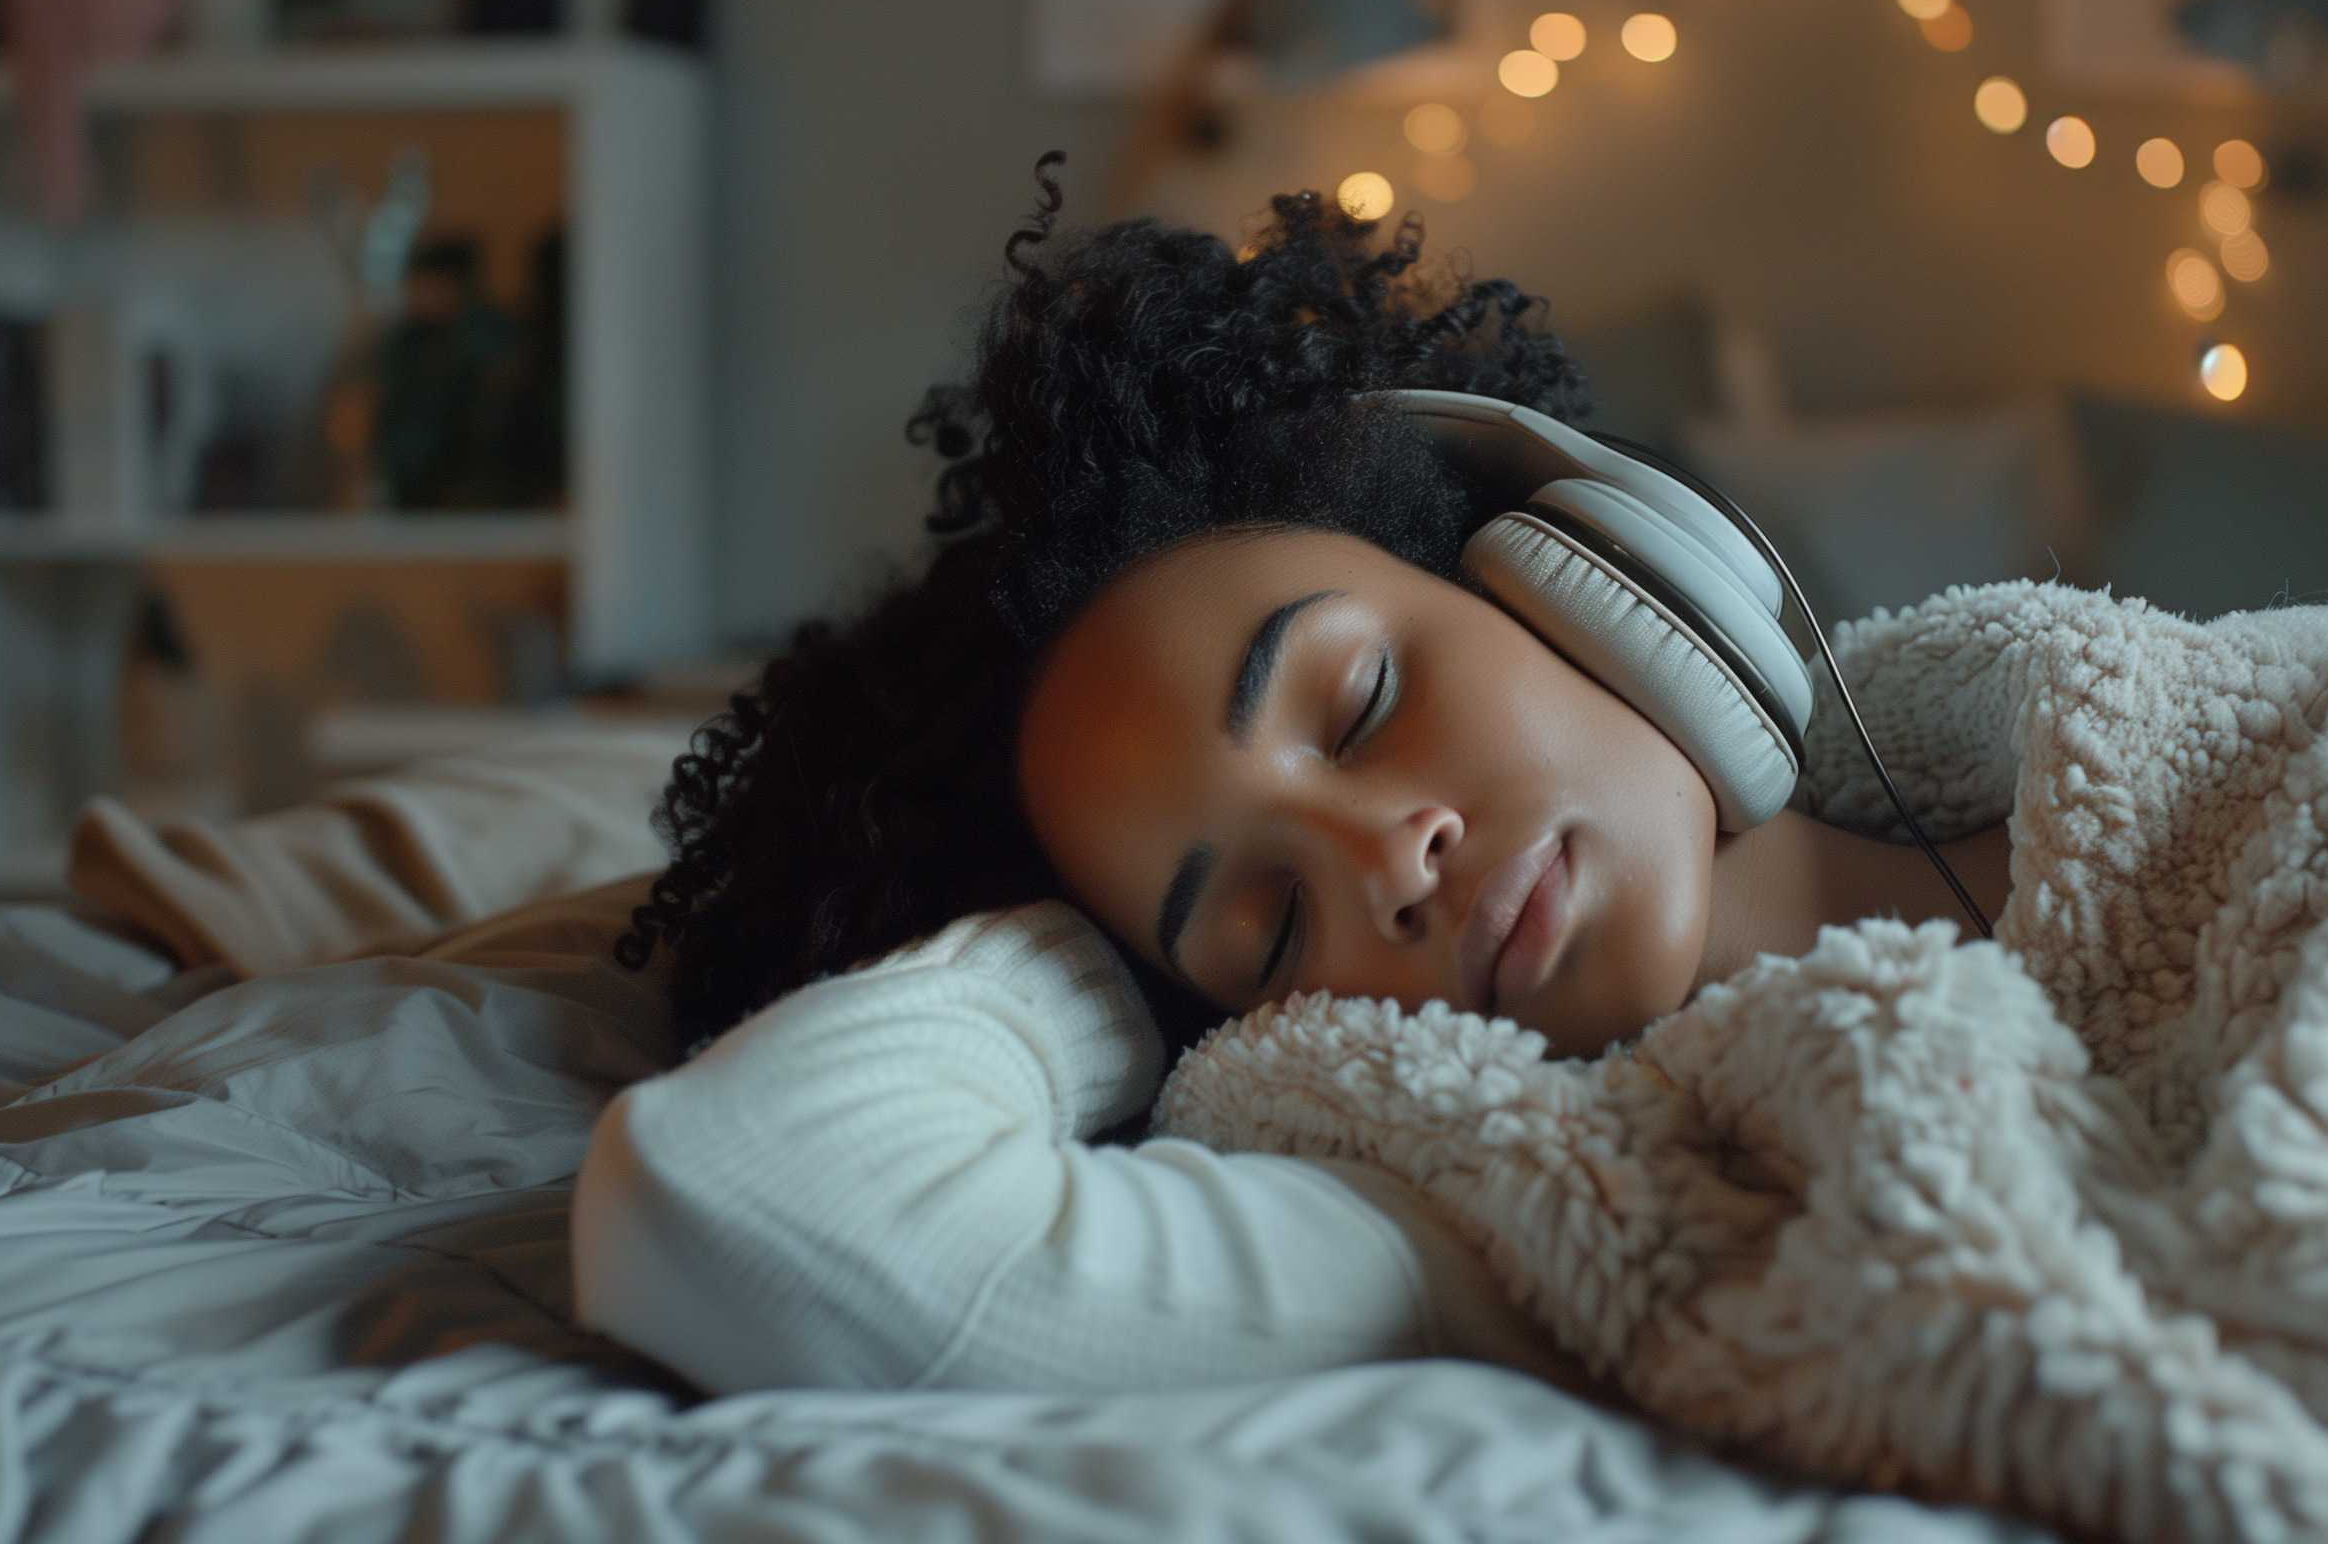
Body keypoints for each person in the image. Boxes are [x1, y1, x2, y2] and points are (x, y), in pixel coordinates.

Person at [566, 151, 2013, 1401]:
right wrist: (1082, 965)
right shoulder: (1488, 1215)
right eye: (1267, 927)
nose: (1386, 861)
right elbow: (739, 1201)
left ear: (1565, 576)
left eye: (1364, 700)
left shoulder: (2096, 752)